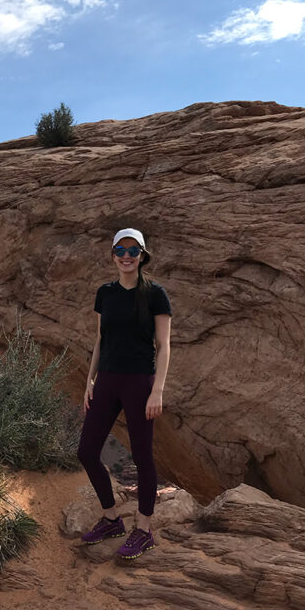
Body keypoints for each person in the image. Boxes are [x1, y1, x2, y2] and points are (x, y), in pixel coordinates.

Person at [77, 227, 172, 559]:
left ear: (143, 255)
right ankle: (111, 518)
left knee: (143, 456)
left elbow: (163, 346)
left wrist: (157, 390)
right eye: (121, 250)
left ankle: (143, 529)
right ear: (113, 255)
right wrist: (89, 380)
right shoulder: (105, 293)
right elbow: (101, 340)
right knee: (87, 451)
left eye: (133, 250)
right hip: (107, 379)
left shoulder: (155, 294)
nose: (127, 256)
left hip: (139, 381)